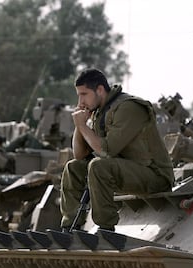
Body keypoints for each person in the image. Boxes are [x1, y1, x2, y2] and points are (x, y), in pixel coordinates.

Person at [60, 68, 174, 232]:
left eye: (84, 94)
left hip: (155, 175)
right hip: (126, 171)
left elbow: (106, 151)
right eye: (78, 95)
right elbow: (79, 155)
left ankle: (105, 229)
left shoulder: (128, 107)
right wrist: (80, 125)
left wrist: (81, 126)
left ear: (99, 90)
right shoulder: (100, 110)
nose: (80, 100)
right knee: (73, 168)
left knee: (98, 166)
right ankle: (70, 227)